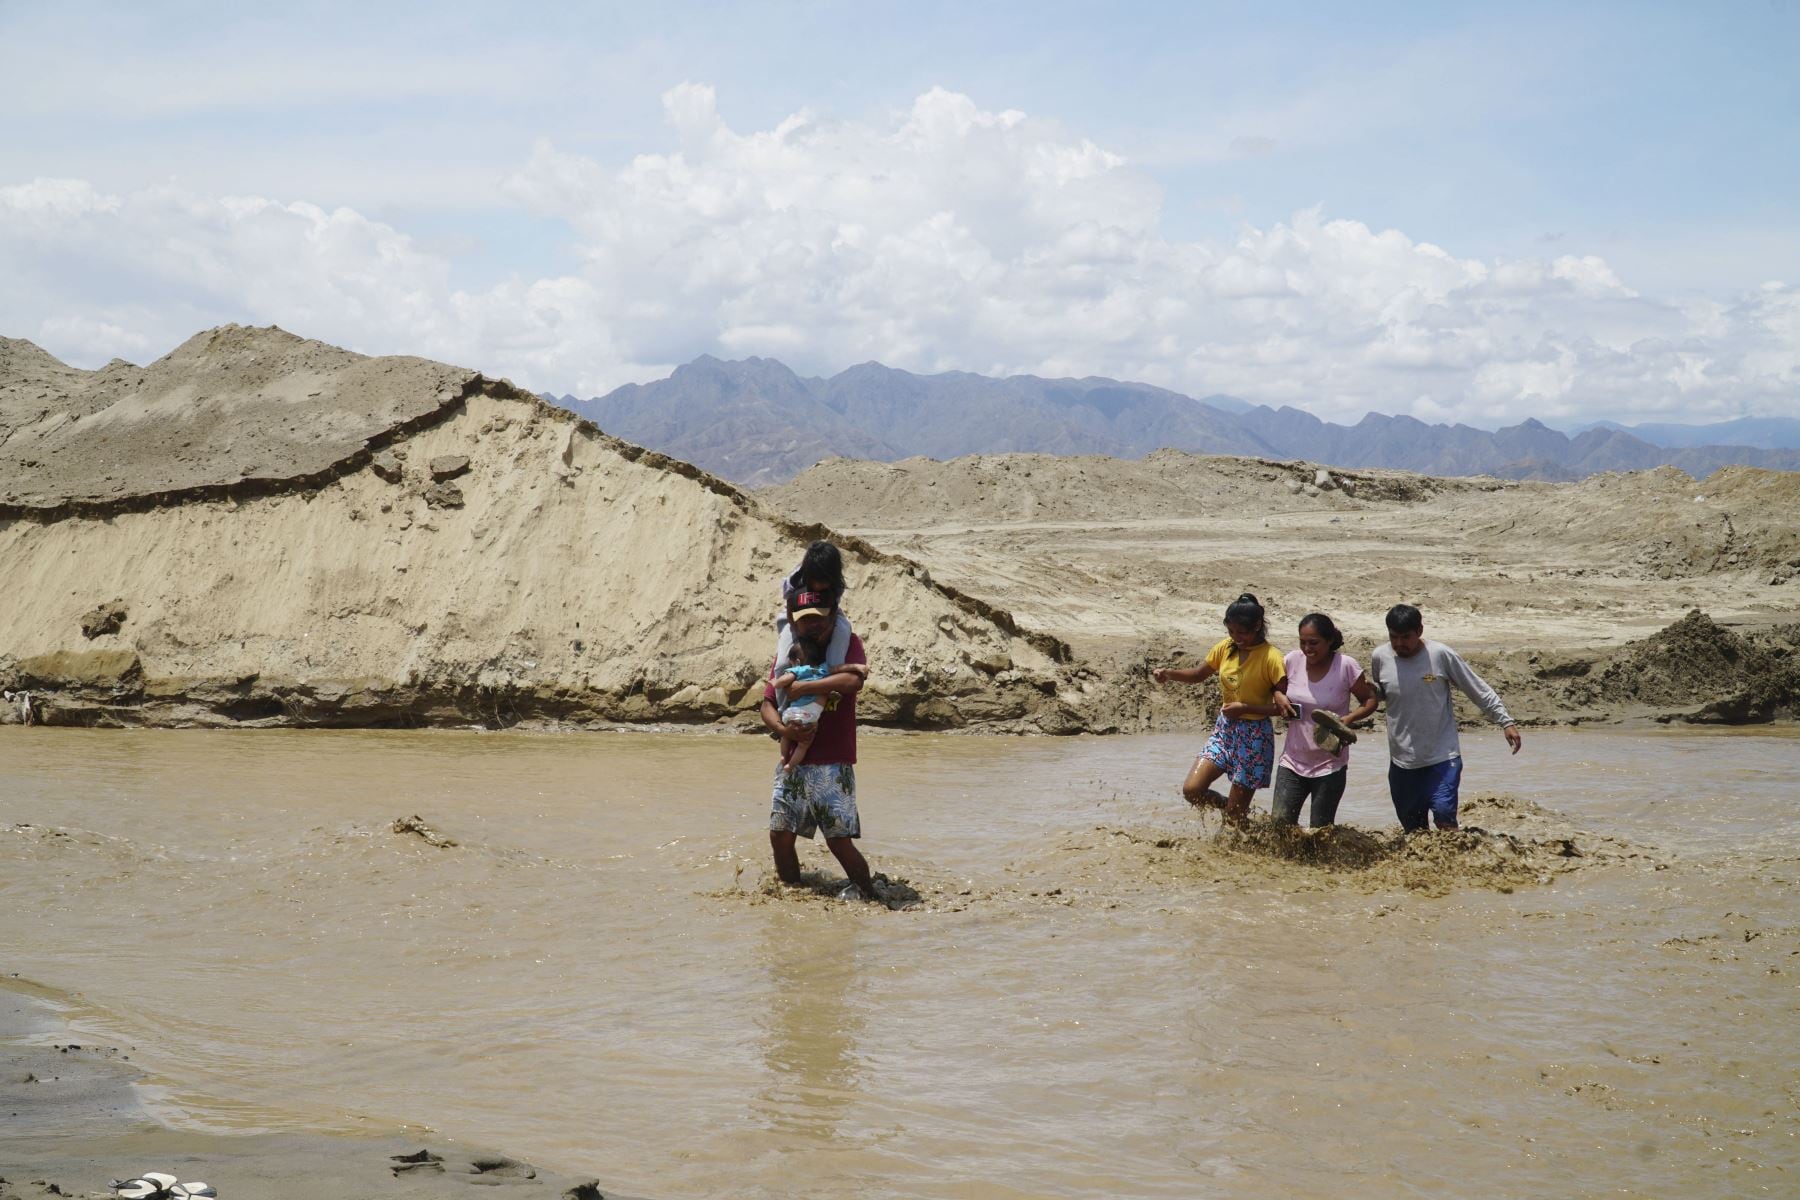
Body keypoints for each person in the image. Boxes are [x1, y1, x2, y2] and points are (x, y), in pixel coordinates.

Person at [762, 588, 878, 900]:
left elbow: (853, 681)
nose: (812, 627)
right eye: (805, 621)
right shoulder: (791, 650)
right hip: (794, 764)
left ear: (831, 620)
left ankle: (869, 894)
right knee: (780, 836)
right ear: (794, 623)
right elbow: (767, 704)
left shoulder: (847, 645)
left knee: (838, 840)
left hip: (833, 763)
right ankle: (791, 893)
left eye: (819, 620)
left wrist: (806, 687)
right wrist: (785, 730)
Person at [1368, 603, 1523, 832]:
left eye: (1406, 637)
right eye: (1394, 637)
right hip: (1402, 760)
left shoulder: (1440, 655)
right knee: (1414, 831)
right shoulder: (1380, 657)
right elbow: (1383, 694)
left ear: (1420, 631)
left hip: (1442, 757)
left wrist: (1505, 721)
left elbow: (1476, 688)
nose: (1400, 644)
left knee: (1444, 819)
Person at [1152, 593, 1295, 826]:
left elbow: (1284, 709)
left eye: (1242, 632)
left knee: (1234, 819)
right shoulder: (1225, 648)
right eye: (1231, 632)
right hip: (1225, 730)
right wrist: (1169, 674)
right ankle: (1233, 812)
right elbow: (1199, 675)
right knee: (1192, 790)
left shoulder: (1272, 658)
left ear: (1258, 626)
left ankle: (1239, 821)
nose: (1236, 638)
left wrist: (1245, 708)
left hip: (1255, 736)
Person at [1272, 613, 1379, 827]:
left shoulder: (1346, 666)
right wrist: (1279, 697)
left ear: (1329, 641)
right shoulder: (1292, 660)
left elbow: (1370, 700)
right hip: (1292, 760)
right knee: (1279, 825)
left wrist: (1347, 720)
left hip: (1330, 764)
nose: (1307, 649)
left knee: (1320, 830)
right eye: (1302, 642)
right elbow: (1275, 688)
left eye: (1314, 643)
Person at [776, 540, 852, 670]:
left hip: (826, 611)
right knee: (782, 664)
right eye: (815, 581)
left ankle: (833, 674)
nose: (818, 586)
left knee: (843, 632)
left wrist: (827, 631)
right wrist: (798, 631)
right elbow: (790, 607)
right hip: (797, 613)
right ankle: (780, 690)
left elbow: (833, 609)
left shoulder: (837, 586)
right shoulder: (795, 579)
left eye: (823, 582)